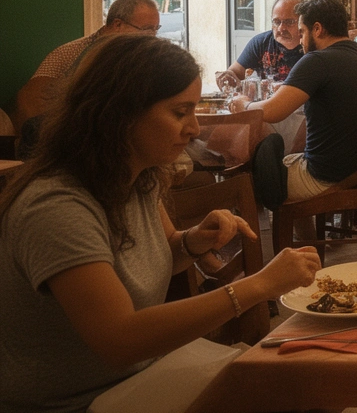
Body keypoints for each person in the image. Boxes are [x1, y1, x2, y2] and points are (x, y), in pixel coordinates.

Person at [0, 35, 320, 412]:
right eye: (180, 112)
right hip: (79, 402)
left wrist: (194, 241)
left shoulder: (137, 177)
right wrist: (258, 286)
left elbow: (162, 254)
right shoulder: (56, 205)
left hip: (140, 377)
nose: (194, 128)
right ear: (119, 113)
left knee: (314, 381)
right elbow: (119, 339)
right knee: (303, 392)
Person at [234, 0, 357, 210]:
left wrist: (243, 105)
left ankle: (252, 236)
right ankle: (305, 239)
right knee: (284, 157)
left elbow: (273, 111)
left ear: (317, 29)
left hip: (330, 178)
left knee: (248, 179)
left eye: (302, 31)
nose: (301, 40)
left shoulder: (317, 61)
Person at [16, 0, 161, 130]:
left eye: (156, 30)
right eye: (147, 30)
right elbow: (29, 102)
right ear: (117, 25)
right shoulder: (69, 53)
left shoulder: (146, 57)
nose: (153, 37)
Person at [217, 0, 304, 89]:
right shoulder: (261, 43)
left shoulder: (311, 46)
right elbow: (235, 73)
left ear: (303, 22)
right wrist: (227, 77)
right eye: (276, 22)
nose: (281, 28)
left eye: (289, 22)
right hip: (264, 102)